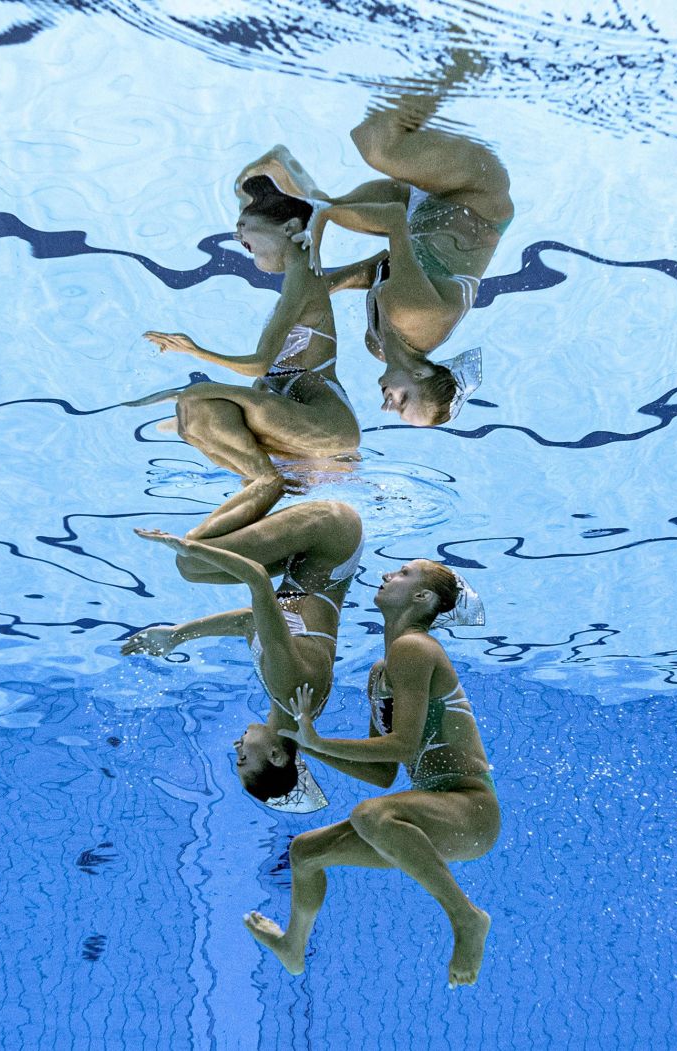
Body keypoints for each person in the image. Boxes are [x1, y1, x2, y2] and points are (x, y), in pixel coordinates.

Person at [243, 559, 499, 987]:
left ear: (422, 598)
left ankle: (465, 917)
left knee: (372, 815)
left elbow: (404, 746)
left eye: (401, 574)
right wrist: (303, 741)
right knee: (306, 853)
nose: (385, 575)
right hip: (439, 816)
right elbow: (382, 772)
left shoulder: (415, 648)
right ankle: (293, 946)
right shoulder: (382, 672)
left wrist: (319, 743)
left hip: (470, 810)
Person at [249, 50, 513, 427]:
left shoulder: (377, 346)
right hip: (474, 196)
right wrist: (318, 225)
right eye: (404, 403)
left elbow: (381, 268)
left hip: (420, 215)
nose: (388, 406)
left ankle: (288, 171)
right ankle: (463, 59)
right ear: (421, 375)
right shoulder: (418, 315)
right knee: (375, 144)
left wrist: (320, 287)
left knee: (323, 211)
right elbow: (390, 222)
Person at [127, 176, 359, 540]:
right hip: (297, 421)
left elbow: (260, 364)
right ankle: (208, 534)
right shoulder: (300, 280)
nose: (238, 238)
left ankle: (264, 483)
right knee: (195, 414)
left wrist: (195, 351)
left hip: (328, 425)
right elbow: (266, 377)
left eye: (243, 226)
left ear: (290, 228)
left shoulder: (304, 279)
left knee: (194, 398)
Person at [119, 501, 364, 811]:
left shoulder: (295, 710)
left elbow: (248, 621)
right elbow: (258, 578)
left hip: (311, 556)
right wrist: (183, 546)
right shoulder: (288, 688)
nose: (237, 747)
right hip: (331, 536)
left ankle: (268, 487)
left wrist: (175, 635)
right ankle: (269, 481)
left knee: (192, 568)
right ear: (276, 755)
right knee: (191, 558)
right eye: (244, 758)